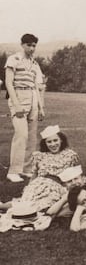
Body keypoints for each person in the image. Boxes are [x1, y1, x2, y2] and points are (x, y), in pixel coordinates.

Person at [5, 34, 45, 182]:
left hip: (33, 97)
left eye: (34, 45)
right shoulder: (13, 59)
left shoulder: (34, 63)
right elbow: (9, 83)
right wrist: (16, 104)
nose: (32, 48)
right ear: (22, 44)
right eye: (29, 45)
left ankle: (26, 169)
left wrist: (41, 107)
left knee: (31, 137)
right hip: (19, 96)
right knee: (21, 135)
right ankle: (14, 171)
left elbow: (37, 86)